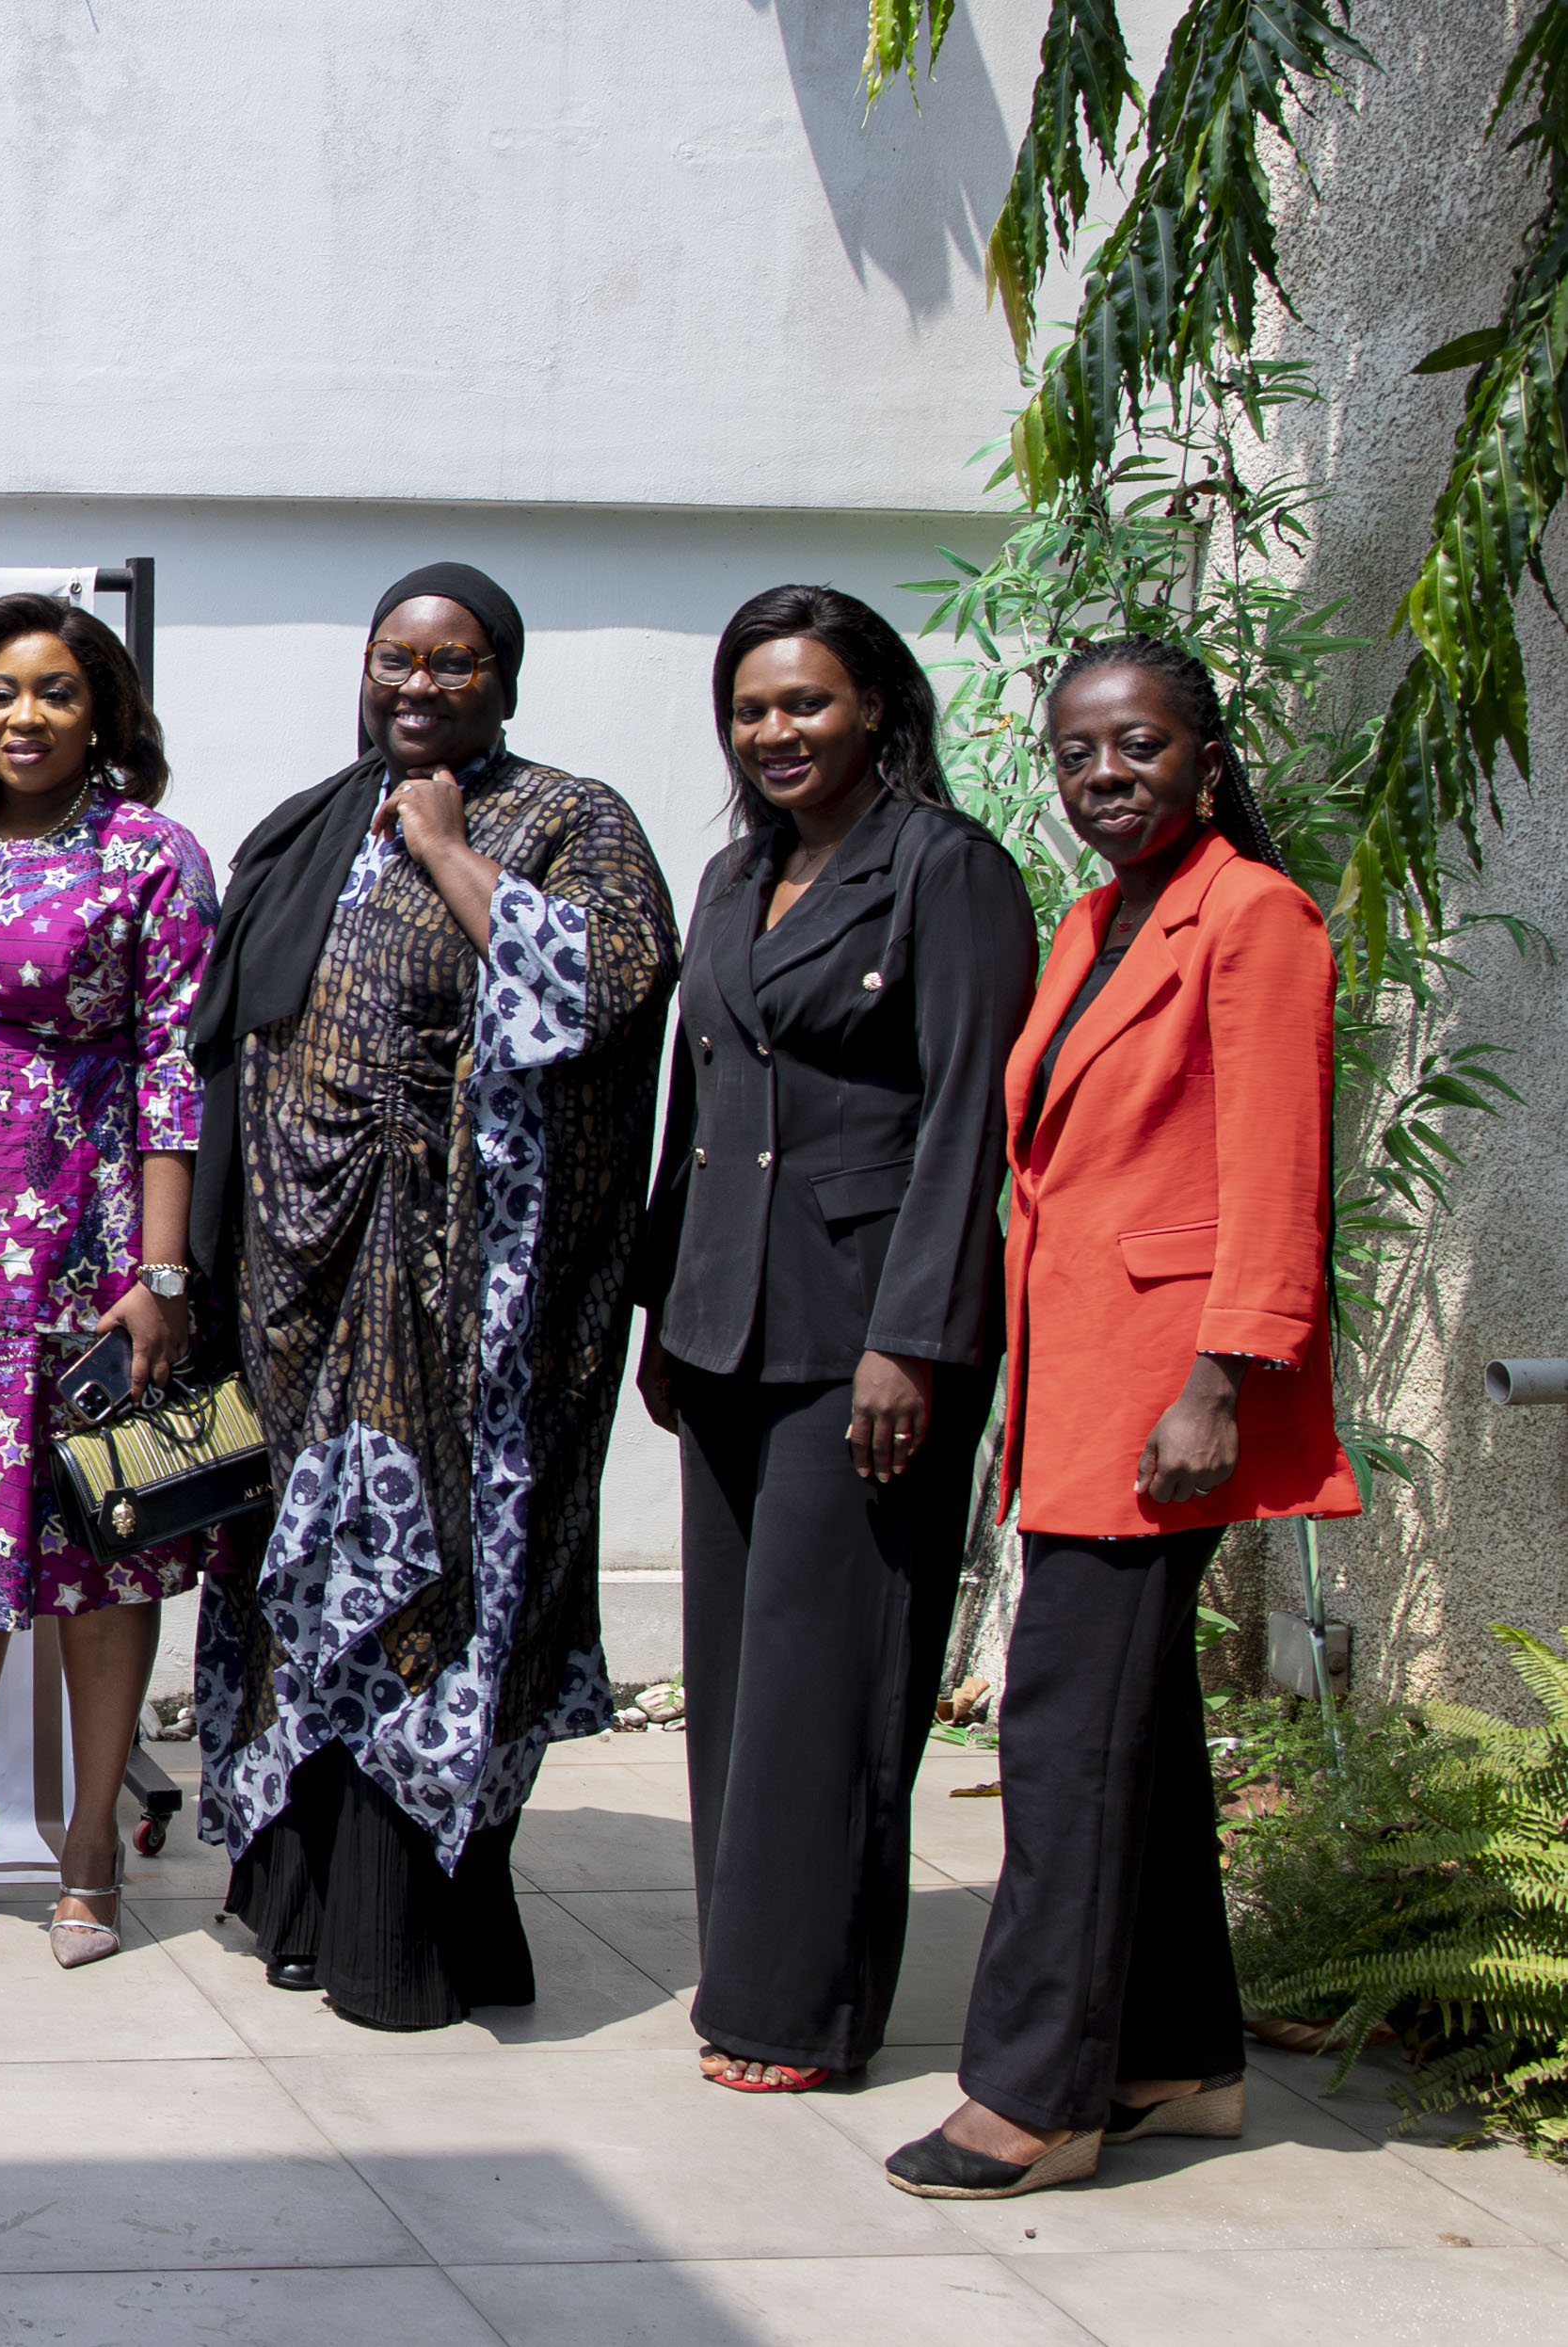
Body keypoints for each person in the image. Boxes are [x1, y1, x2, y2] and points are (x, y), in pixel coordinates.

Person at [887, 636, 1357, 2199]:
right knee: (1129, 1728)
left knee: (1063, 1734)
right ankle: (1180, 2057)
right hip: (1078, 1373)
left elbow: (1278, 1171)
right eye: (1079, 751)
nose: (1106, 774)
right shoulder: (1096, 920)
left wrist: (1220, 1380)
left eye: (1139, 744)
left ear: (1206, 760)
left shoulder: (1257, 914)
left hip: (1167, 1389)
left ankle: (1036, 2098)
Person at [184, 561, 675, 2031]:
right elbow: (235, 1044)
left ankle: (409, 1932)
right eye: (393, 657)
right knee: (296, 1578)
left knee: (434, 1584)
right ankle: (297, 1897)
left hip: (469, 1307)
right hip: (295, 1289)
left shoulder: (570, 819)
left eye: (453, 661)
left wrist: (452, 849)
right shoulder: (311, 823)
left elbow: (604, 988)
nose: (416, 683)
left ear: (503, 679)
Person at [632, 587, 1032, 2092]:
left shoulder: (945, 868)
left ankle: (805, 2010)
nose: (776, 731)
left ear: (874, 704)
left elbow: (968, 1119)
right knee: (738, 1675)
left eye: (805, 701)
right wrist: (666, 1310)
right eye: (751, 708)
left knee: (830, 1678)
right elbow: (700, 1101)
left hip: (866, 1336)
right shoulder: (736, 874)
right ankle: (750, 1968)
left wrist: (912, 1340)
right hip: (726, 1325)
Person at [0, 596, 224, 1964]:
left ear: (99, 710)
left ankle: (88, 1843)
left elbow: (179, 1065)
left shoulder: (152, 855)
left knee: (105, 1540)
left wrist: (163, 1271)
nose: (26, 716)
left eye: (56, 691)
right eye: (2, 691)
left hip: (95, 1242)